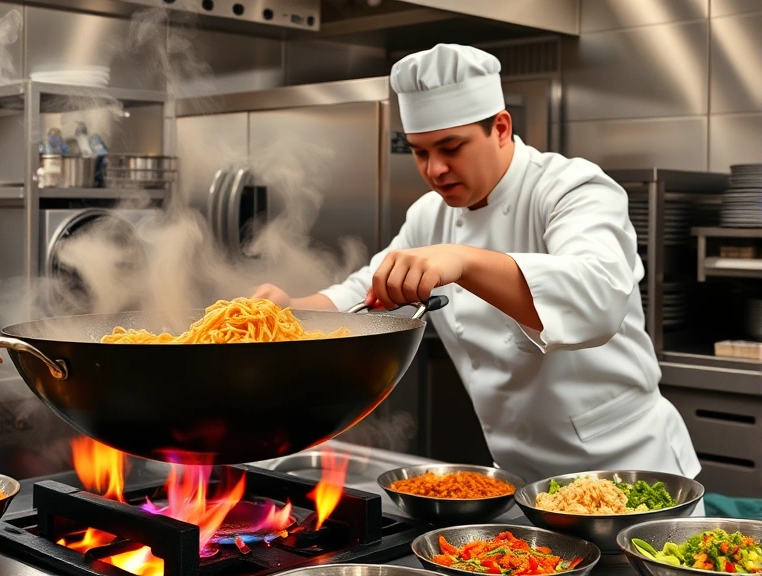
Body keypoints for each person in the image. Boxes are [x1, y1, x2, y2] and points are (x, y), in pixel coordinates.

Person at [252, 43, 701, 485]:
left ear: (501, 128)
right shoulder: (430, 214)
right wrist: (290, 309)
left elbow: (598, 300)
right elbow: (368, 290)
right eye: (420, 151)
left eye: (451, 147)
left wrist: (462, 259)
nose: (435, 169)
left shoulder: (572, 188)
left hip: (632, 470)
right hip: (521, 480)